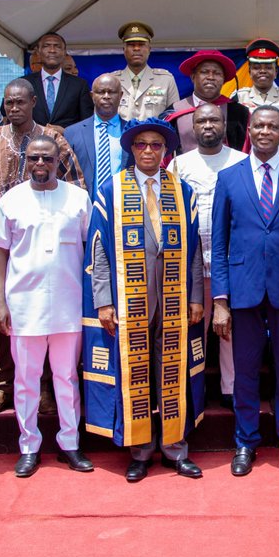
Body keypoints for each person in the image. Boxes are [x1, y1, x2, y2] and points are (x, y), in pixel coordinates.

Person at [83, 118, 206, 481]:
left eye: (156, 145)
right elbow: (99, 250)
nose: (149, 151)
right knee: (134, 373)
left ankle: (175, 449)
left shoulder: (182, 191)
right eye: (141, 145)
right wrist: (103, 301)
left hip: (173, 298)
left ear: (166, 151)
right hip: (129, 300)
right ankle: (140, 450)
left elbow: (196, 248)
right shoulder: (111, 191)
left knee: (172, 372)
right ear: (131, 150)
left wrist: (196, 297)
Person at [0, 78, 84, 417]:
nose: (14, 108)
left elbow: (76, 184)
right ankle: (2, 386)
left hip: (50, 243)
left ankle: (46, 388)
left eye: (20, 102)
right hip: (3, 242)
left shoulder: (54, 140)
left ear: (34, 101)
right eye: (8, 103)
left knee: (50, 327)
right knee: (5, 320)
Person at [212, 107, 279, 478]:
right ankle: (246, 442)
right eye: (259, 125)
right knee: (245, 374)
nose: (265, 131)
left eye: (273, 126)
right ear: (249, 130)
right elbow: (220, 243)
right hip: (243, 291)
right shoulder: (228, 178)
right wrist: (220, 299)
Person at [0, 135, 93, 477]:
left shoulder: (78, 198)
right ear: (26, 159)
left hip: (68, 303)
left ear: (58, 159)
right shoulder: (12, 200)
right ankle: (29, 445)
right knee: (26, 379)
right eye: (33, 158)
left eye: (47, 158)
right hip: (24, 306)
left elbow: (89, 250)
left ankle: (70, 444)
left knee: (66, 377)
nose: (40, 164)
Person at [168, 103, 247, 407]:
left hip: (231, 261)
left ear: (224, 125)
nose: (208, 125)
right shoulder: (179, 165)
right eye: (201, 121)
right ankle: (192, 390)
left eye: (214, 119)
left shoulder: (241, 161)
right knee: (192, 328)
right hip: (191, 264)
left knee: (229, 330)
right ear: (192, 127)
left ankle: (231, 390)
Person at [164, 50, 249, 153]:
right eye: (204, 72)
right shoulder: (173, 112)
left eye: (217, 73)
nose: (211, 77)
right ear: (193, 77)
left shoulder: (239, 113)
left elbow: (247, 150)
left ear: (224, 79)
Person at [65, 74, 125, 200]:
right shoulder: (72, 133)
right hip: (85, 208)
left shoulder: (131, 131)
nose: (106, 96)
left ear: (121, 96)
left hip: (124, 207)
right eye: (101, 92)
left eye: (112, 92)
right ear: (92, 96)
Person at [113, 21, 180, 121]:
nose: (136, 48)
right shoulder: (112, 81)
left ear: (149, 49)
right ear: (124, 49)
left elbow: (174, 118)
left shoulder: (166, 80)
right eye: (131, 45)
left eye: (141, 44)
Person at [26, 33, 93, 129]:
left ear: (64, 52)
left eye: (57, 46)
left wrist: (66, 132)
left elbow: (87, 123)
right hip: (31, 142)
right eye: (46, 46)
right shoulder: (25, 84)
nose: (52, 50)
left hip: (68, 142)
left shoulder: (79, 85)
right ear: (39, 52)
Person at [232, 39, 279, 109]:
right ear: (250, 72)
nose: (262, 71)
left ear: (276, 72)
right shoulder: (239, 97)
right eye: (256, 68)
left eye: (268, 67)